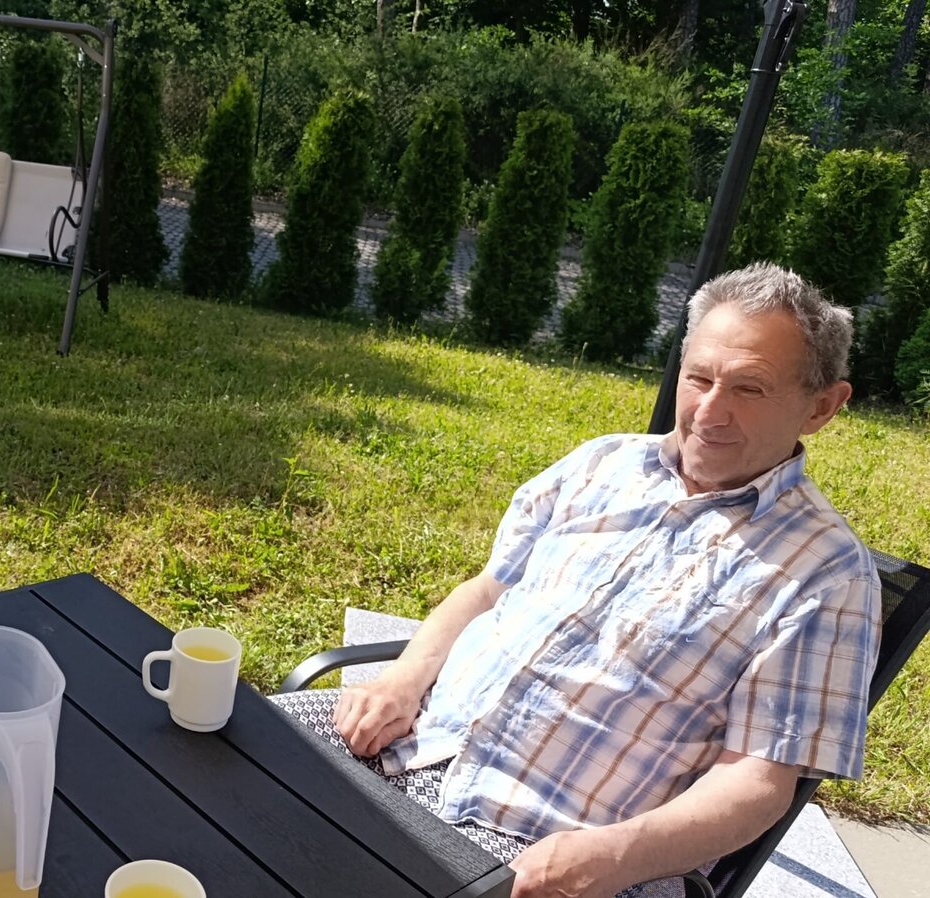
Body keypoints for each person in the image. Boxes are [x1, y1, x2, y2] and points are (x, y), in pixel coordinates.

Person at [273, 263, 880, 898]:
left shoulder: (826, 573)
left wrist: (612, 856)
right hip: (409, 741)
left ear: (822, 407)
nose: (710, 412)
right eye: (699, 378)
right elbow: (487, 590)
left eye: (749, 389)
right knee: (221, 747)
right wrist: (398, 681)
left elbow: (759, 781)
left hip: (544, 847)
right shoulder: (605, 463)